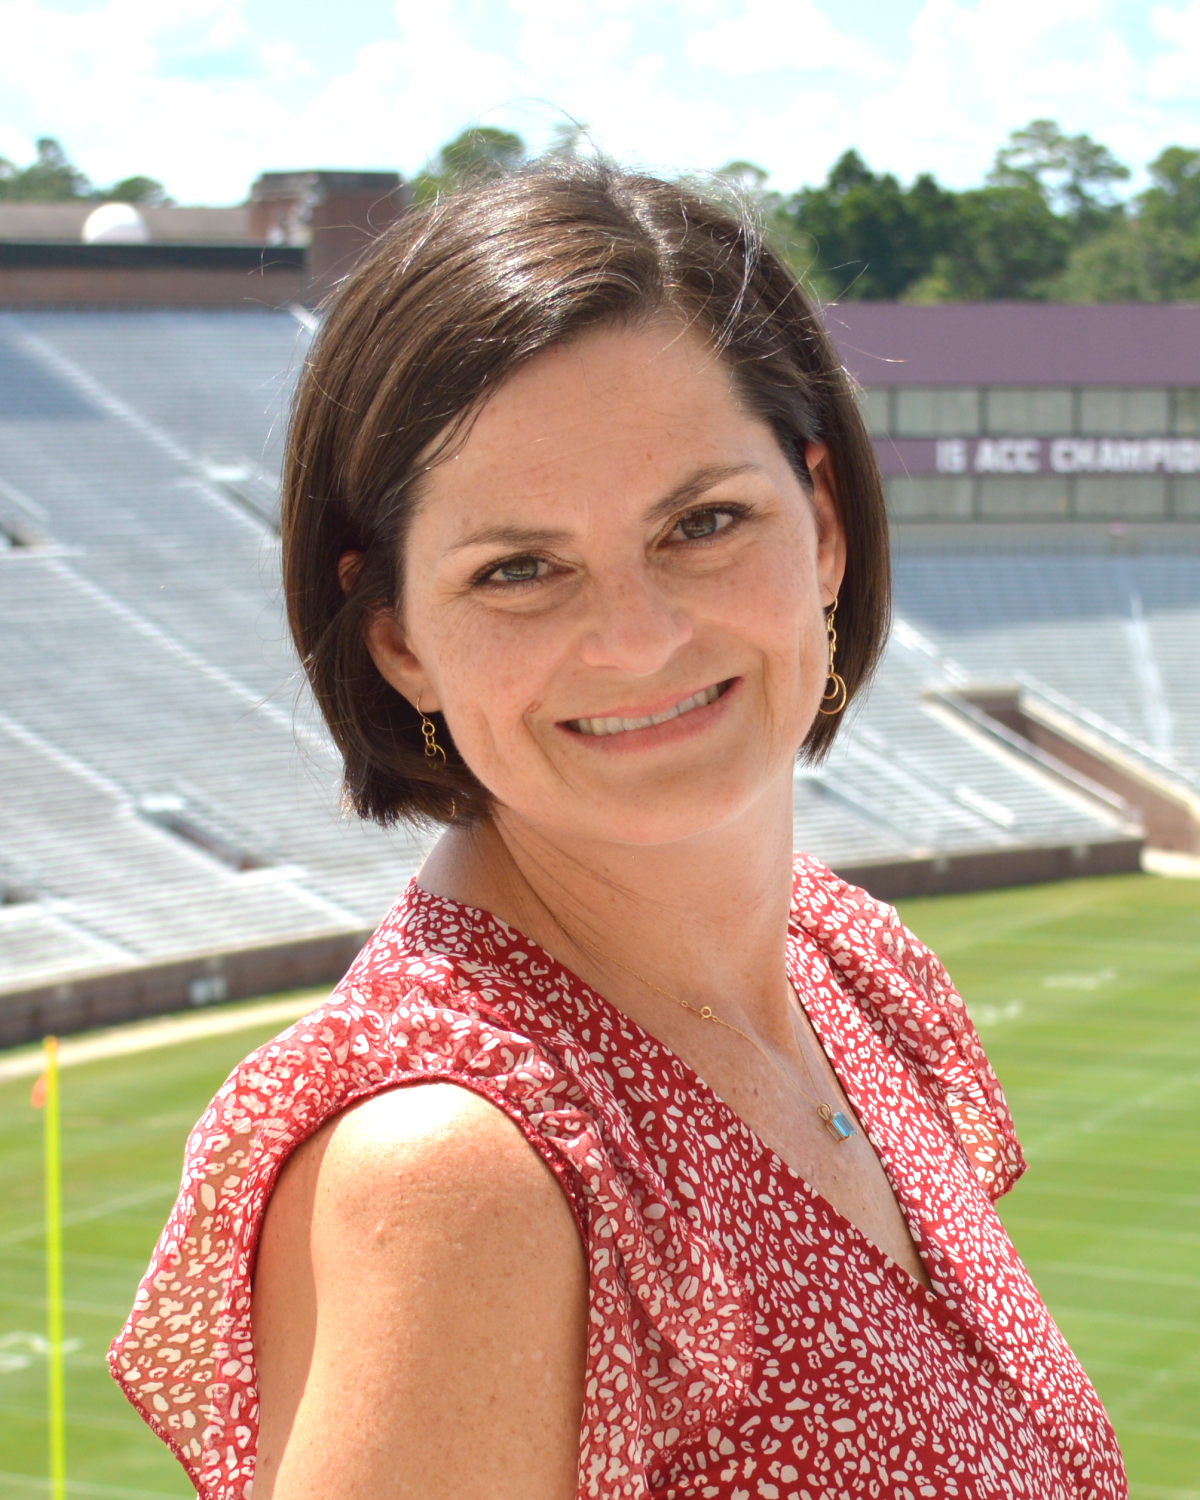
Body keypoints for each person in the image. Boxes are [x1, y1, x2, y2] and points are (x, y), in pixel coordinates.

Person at [109, 161, 1126, 1500]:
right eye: (518, 569)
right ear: (400, 635)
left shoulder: (844, 964)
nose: (638, 638)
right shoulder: (462, 1172)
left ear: (820, 524)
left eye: (704, 523)